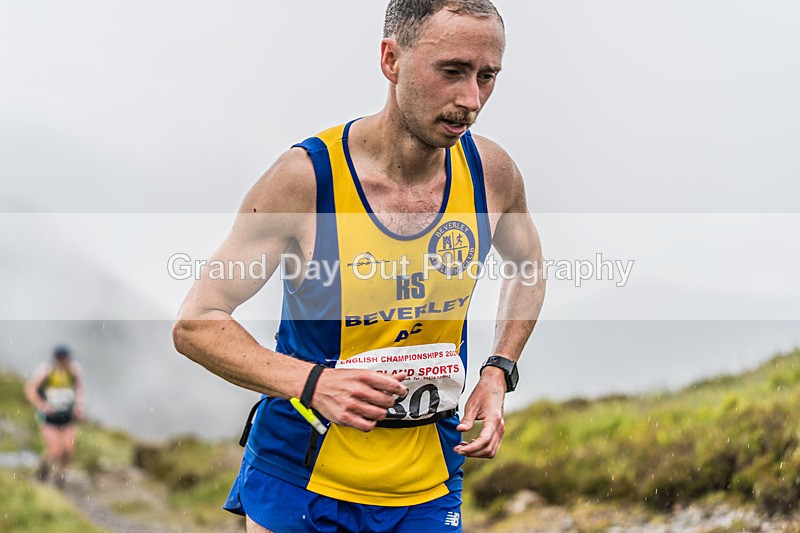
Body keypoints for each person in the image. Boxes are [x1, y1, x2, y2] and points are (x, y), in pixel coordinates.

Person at [173, 1, 545, 531]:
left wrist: (498, 369)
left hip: (428, 479)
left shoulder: (491, 175)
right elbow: (196, 323)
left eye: (487, 77)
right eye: (452, 72)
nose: (471, 100)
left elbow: (528, 265)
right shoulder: (306, 181)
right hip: (302, 477)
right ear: (391, 60)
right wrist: (313, 382)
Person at [24, 345, 87, 487]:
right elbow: (30, 388)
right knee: (55, 451)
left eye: (65, 360)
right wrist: (41, 404)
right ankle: (43, 471)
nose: (63, 362)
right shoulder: (47, 370)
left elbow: (80, 389)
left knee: (68, 451)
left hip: (67, 416)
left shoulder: (74, 371)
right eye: (60, 360)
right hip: (49, 418)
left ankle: (61, 478)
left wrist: (80, 406)